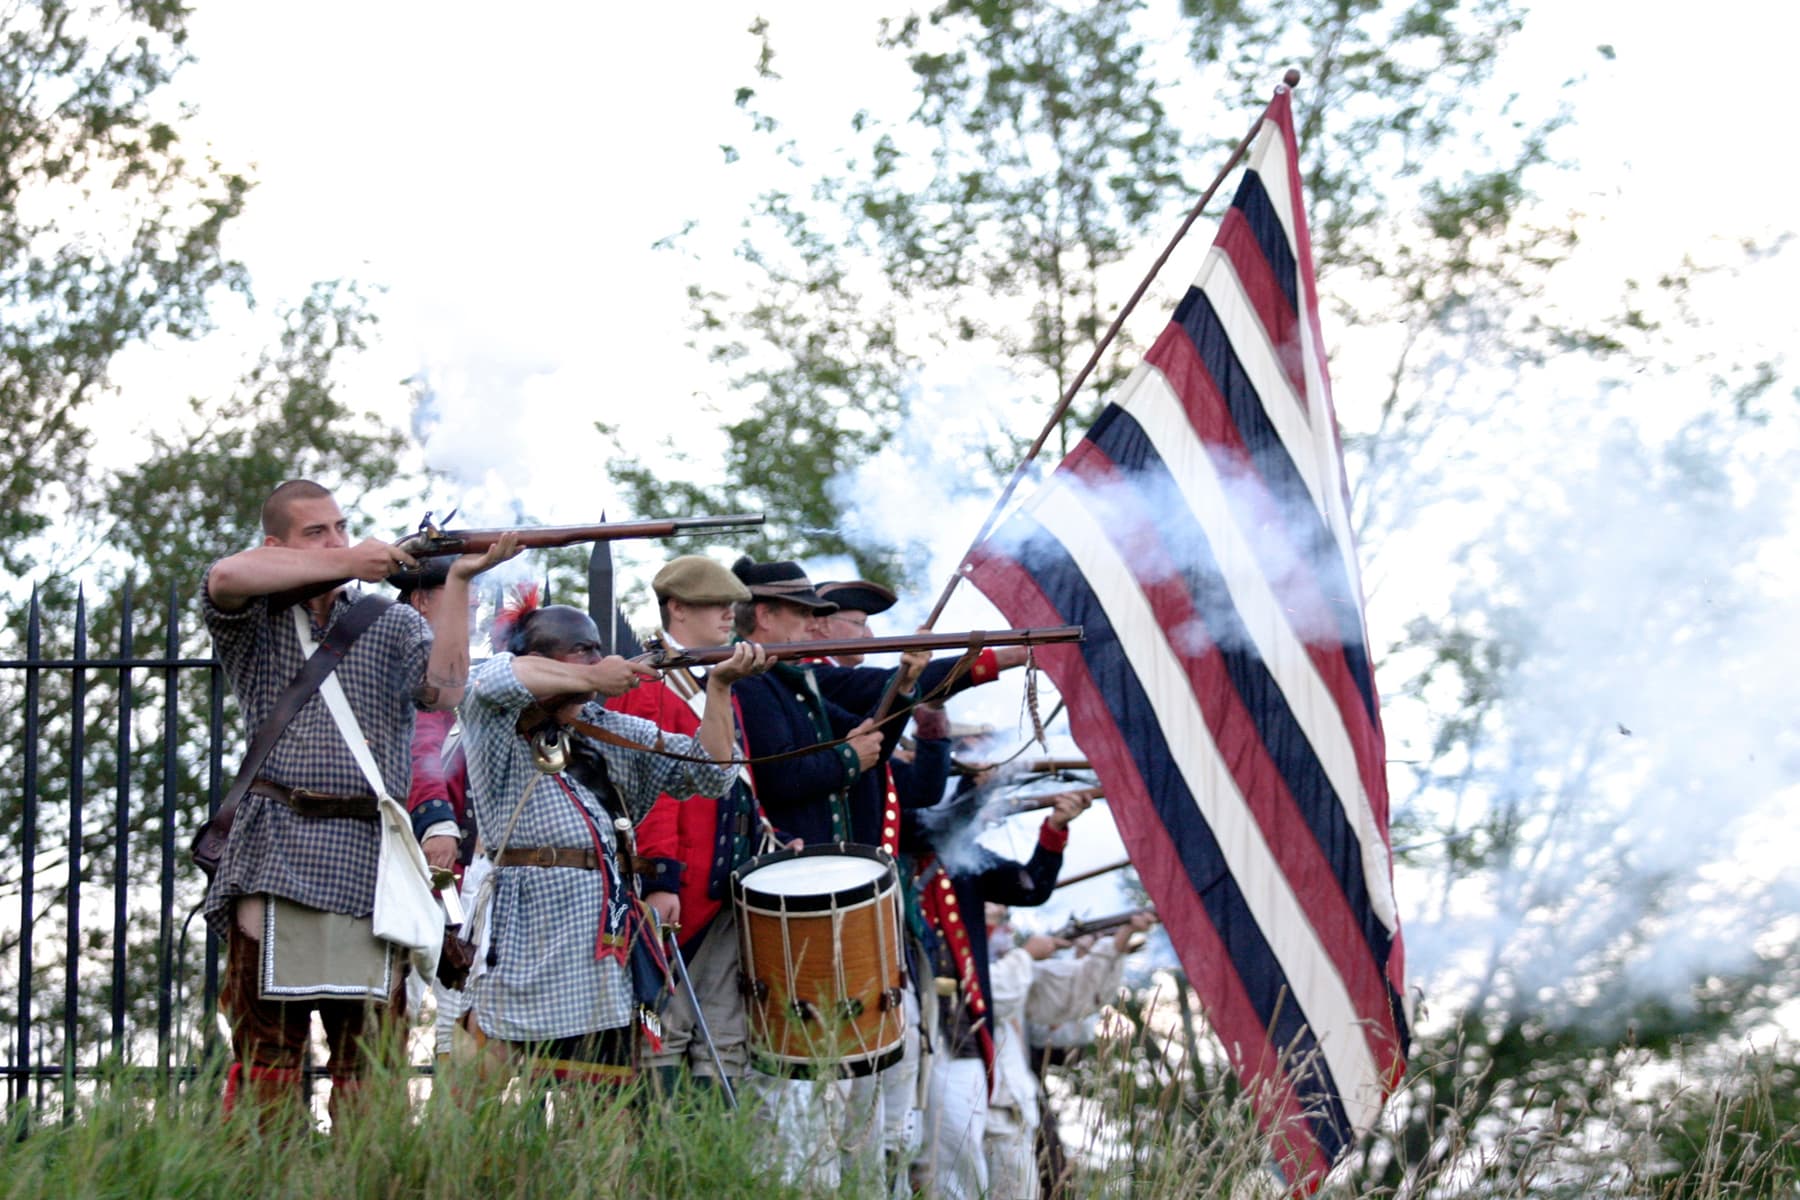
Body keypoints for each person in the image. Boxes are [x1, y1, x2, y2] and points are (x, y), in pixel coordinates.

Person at [201, 479, 514, 1124]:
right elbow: (227, 575)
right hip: (274, 848)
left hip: (368, 858)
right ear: (278, 543)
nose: (337, 541)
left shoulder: (391, 619)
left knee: (369, 1062)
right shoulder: (256, 617)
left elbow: (446, 691)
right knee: (269, 1056)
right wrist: (353, 560)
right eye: (317, 533)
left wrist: (456, 582)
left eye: (341, 529)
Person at [458, 592, 766, 1091]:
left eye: (597, 650)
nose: (599, 661)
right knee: (480, 1107)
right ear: (539, 658)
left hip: (595, 946)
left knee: (599, 1113)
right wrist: (590, 678)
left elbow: (713, 777)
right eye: (582, 650)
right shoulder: (495, 715)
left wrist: (720, 687)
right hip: (524, 931)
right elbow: (494, 677)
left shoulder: (605, 727)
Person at [604, 554, 758, 1092]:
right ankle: (661, 1163)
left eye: (730, 604)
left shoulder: (708, 677)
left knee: (719, 1027)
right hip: (680, 886)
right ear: (676, 608)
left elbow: (733, 775)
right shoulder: (649, 682)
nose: (727, 614)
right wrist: (661, 877)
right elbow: (651, 792)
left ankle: (704, 1158)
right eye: (714, 604)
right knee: (665, 1027)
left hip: (724, 883)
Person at [906, 788, 1091, 1200]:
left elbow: (1030, 887)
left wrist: (1055, 828)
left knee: (960, 1160)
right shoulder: (893, 844)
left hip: (959, 1032)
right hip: (904, 1020)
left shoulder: (965, 859)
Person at [985, 906, 1154, 1199]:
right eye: (998, 920)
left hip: (1019, 1104)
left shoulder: (1019, 969)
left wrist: (1118, 938)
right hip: (989, 1103)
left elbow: (1075, 1003)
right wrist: (1027, 955)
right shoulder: (1008, 967)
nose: (1008, 929)